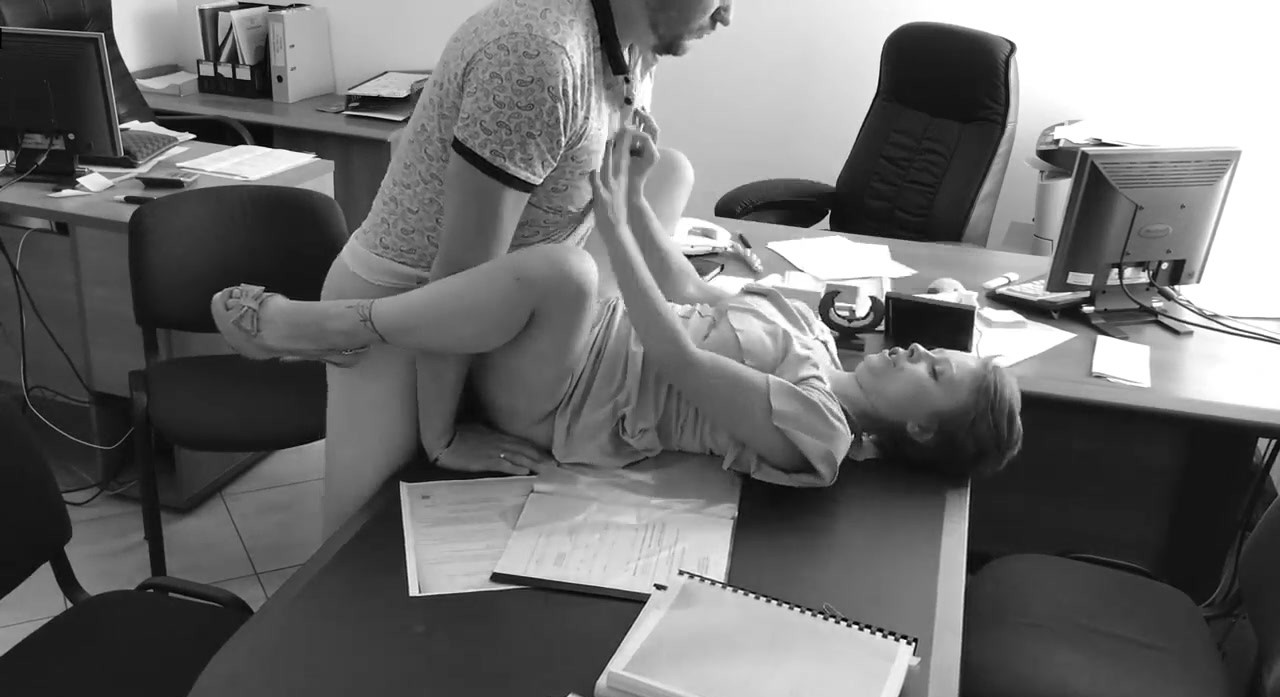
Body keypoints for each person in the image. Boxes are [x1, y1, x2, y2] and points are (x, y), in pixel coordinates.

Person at [213, 128, 1025, 495]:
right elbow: (686, 291)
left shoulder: (821, 432)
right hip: (599, 337)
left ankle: (334, 327)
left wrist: (607, 222)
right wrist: (631, 199)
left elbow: (677, 359)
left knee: (567, 274)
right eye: (935, 353)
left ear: (922, 429)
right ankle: (395, 316)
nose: (918, 351)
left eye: (935, 373)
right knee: (669, 170)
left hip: (571, 401)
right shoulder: (811, 330)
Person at [318, 0, 735, 531]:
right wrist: (441, 435)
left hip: (506, 303)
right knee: (358, 541)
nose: (726, 17)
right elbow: (461, 275)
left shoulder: (635, 46)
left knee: (672, 170)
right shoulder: (538, 56)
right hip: (408, 299)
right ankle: (310, 328)